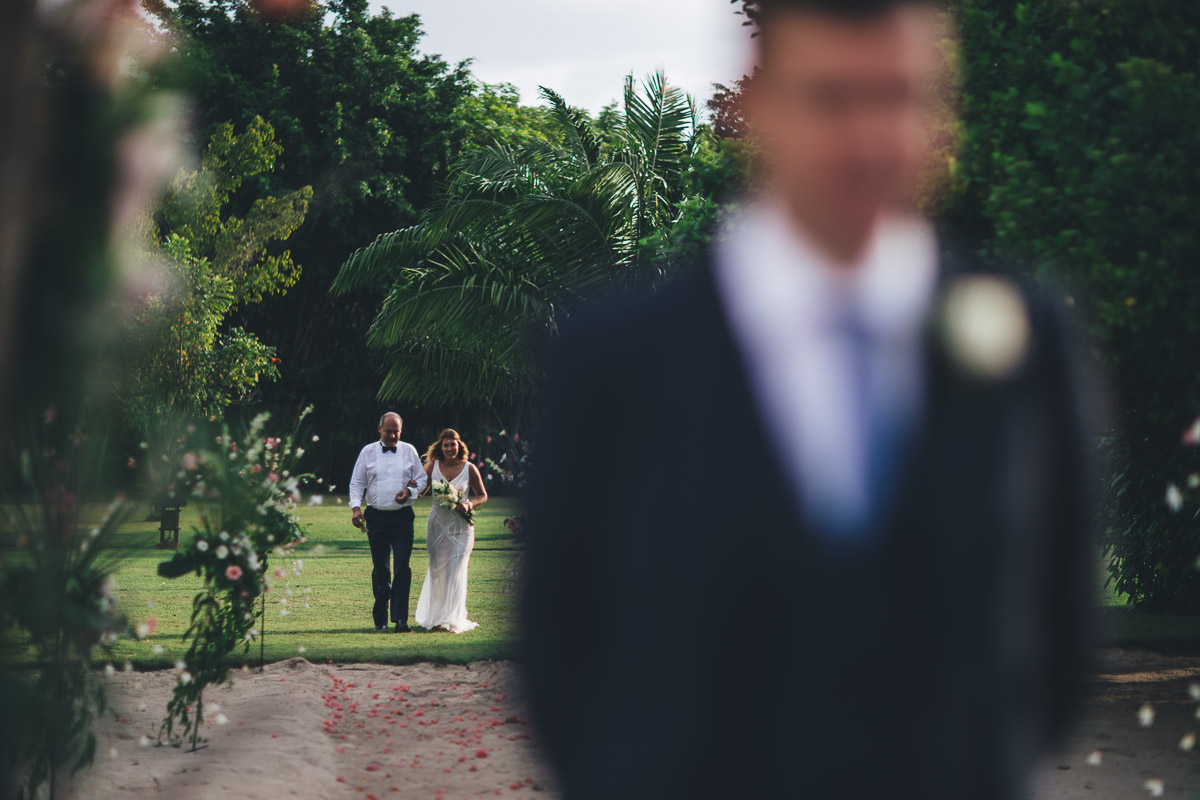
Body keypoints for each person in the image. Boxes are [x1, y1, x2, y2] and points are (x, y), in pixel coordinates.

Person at [522, 1, 1097, 799]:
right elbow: (559, 643)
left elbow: (1063, 628)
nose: (869, 137)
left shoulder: (1029, 340)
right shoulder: (616, 358)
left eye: (900, 96)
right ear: (759, 108)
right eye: (832, 97)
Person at [349, 412, 428, 633]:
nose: (393, 435)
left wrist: (409, 490)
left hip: (402, 518)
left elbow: (422, 479)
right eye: (389, 431)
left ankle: (401, 620)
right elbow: (357, 483)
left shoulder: (409, 450)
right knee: (380, 569)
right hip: (376, 516)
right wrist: (356, 508)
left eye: (396, 431)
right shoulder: (367, 452)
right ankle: (380, 620)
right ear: (379, 429)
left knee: (402, 566)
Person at [416, 429, 488, 633]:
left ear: (459, 446)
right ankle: (437, 617)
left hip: (461, 528)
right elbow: (420, 491)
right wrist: (411, 487)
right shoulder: (432, 466)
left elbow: (482, 495)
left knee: (456, 571)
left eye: (453, 444)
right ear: (441, 447)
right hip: (437, 527)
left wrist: (469, 505)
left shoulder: (469, 468)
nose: (449, 448)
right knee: (438, 571)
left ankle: (453, 617)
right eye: (446, 445)